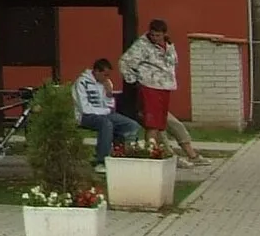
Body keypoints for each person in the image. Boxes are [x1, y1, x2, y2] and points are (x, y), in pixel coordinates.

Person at [121, 20, 203, 165]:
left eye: (158, 35)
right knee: (153, 124)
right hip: (149, 87)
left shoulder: (169, 45)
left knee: (161, 123)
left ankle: (168, 153)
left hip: (165, 87)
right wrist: (134, 81)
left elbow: (173, 63)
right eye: (152, 35)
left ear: (164, 34)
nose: (155, 38)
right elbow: (125, 62)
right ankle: (153, 153)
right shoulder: (142, 45)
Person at [72, 57, 140, 166]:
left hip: (105, 114)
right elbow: (84, 108)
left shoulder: (106, 83)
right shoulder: (81, 83)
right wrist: (106, 111)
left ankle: (121, 154)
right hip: (85, 116)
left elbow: (111, 108)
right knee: (106, 124)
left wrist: (109, 95)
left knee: (132, 125)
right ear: (96, 71)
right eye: (105, 75)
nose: (107, 78)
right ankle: (101, 160)